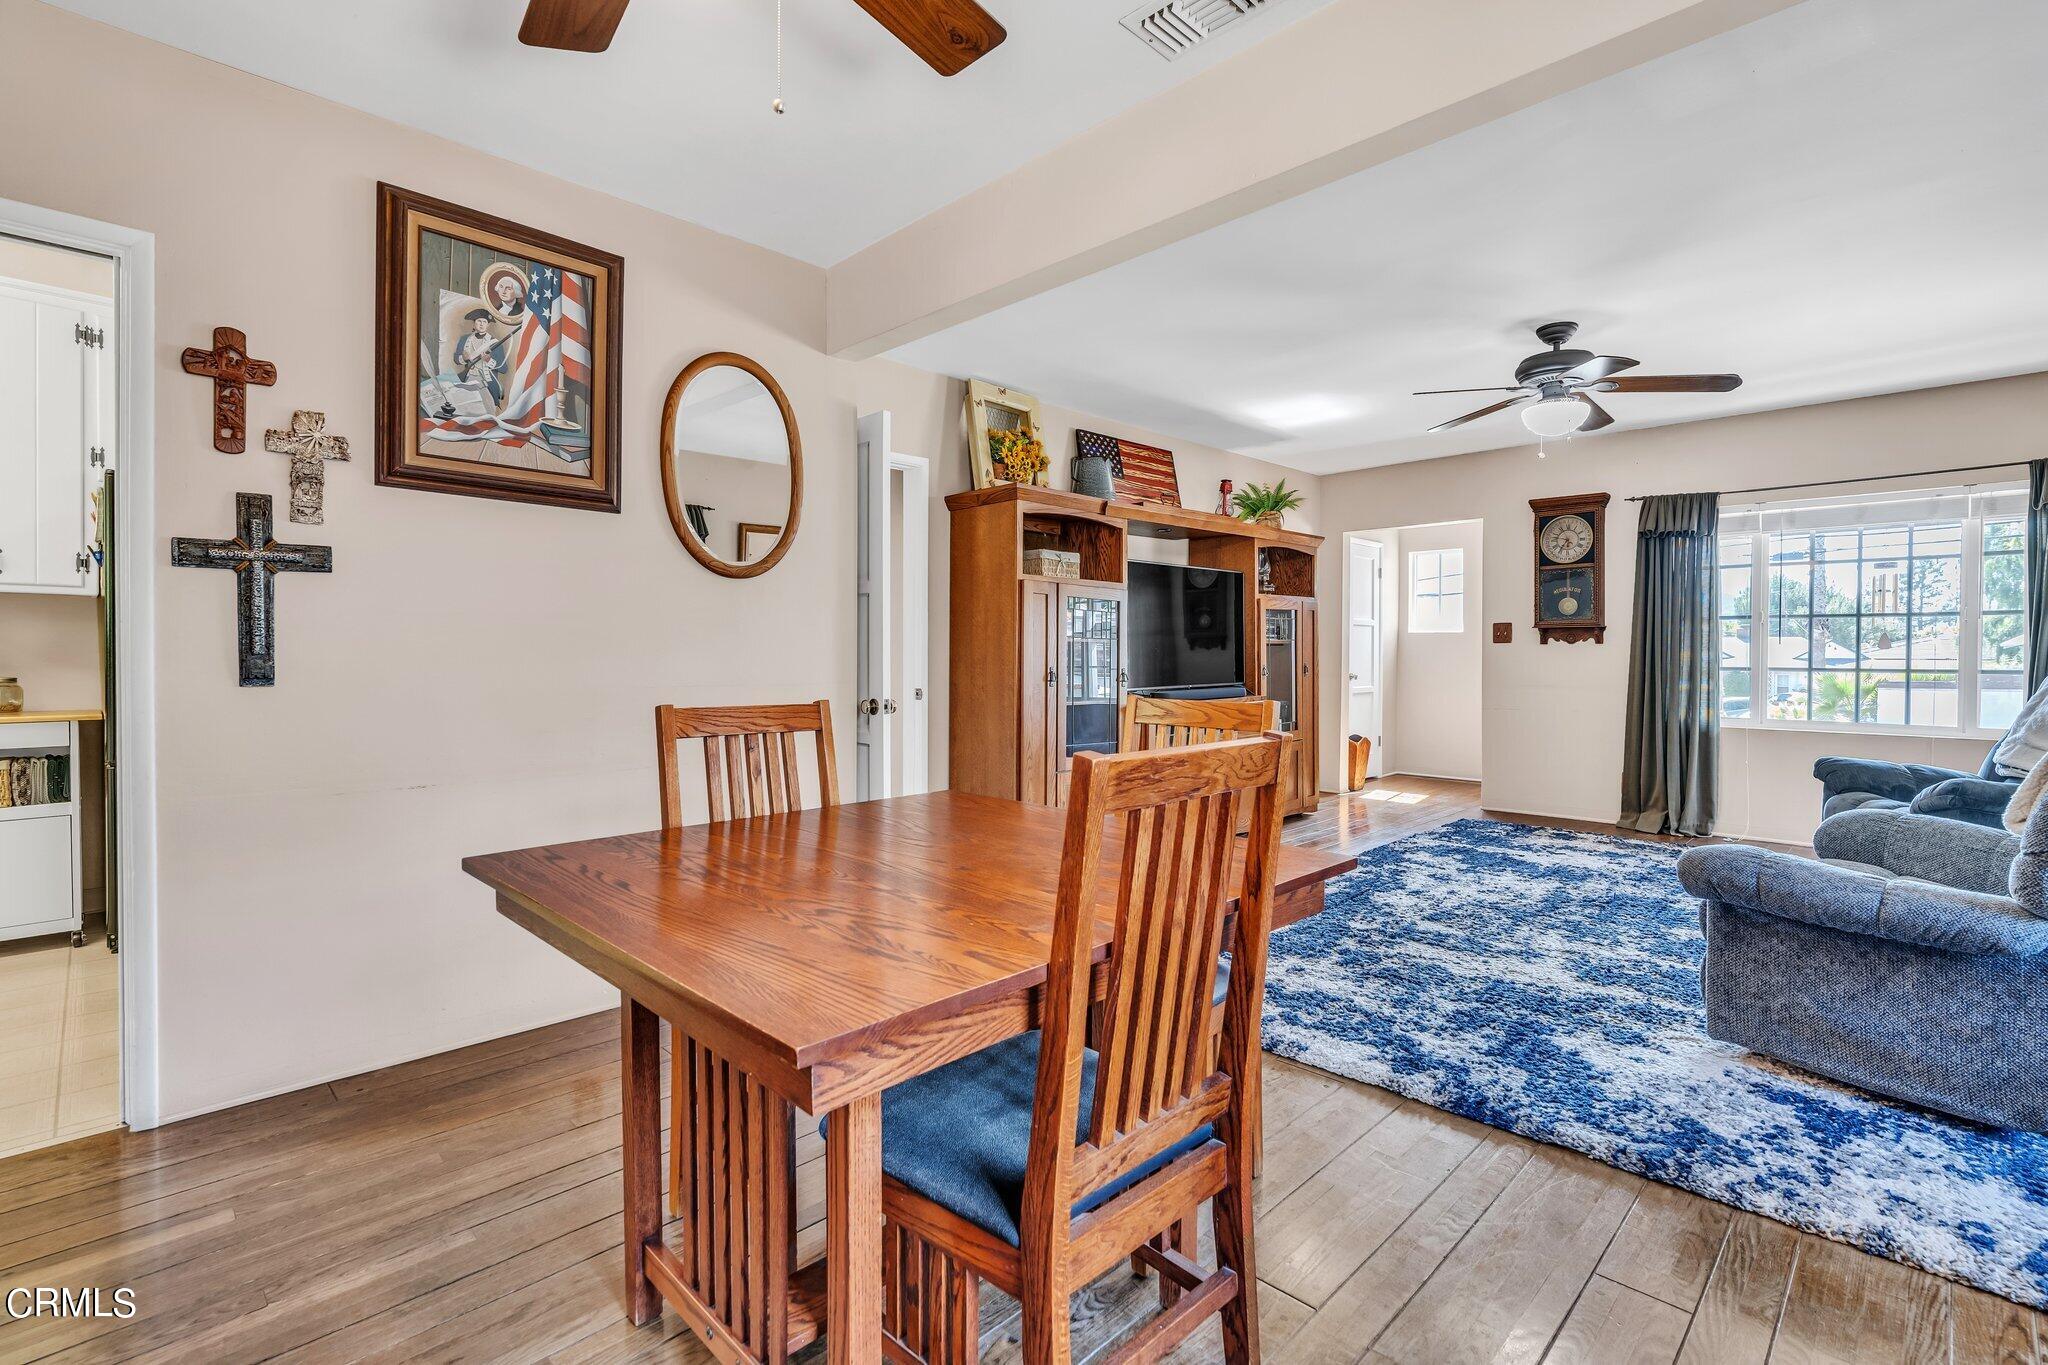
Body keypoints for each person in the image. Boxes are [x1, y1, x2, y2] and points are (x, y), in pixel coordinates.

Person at [453, 309, 507, 406]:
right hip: (468, 380)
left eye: (484, 322)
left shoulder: (495, 343)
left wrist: (489, 360)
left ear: (488, 325)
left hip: (487, 383)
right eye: (479, 321)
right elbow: (456, 359)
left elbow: (504, 369)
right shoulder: (464, 339)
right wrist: (464, 358)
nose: (481, 324)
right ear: (474, 324)